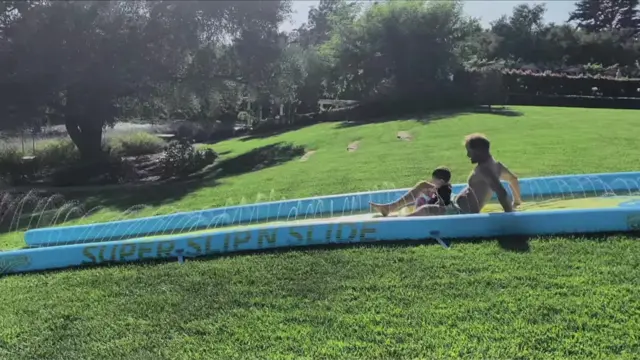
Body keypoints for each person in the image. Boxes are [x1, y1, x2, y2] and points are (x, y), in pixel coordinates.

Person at [370, 133, 522, 217]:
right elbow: (513, 180)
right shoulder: (497, 166)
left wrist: (510, 216)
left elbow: (501, 192)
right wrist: (517, 201)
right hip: (455, 202)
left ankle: (398, 224)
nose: (467, 154)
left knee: (425, 210)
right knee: (424, 185)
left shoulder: (484, 170)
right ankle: (389, 208)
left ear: (479, 151)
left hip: (460, 212)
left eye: (469, 150)